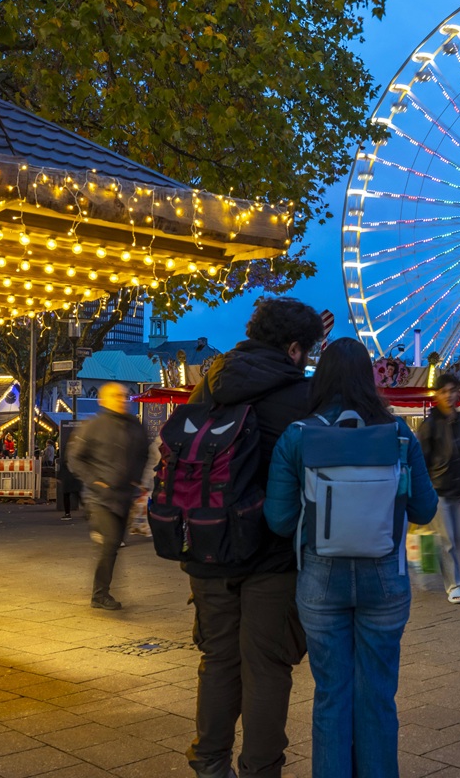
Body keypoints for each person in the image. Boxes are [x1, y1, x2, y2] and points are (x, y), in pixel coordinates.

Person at [264, 338, 438, 778]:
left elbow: (280, 520)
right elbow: (425, 509)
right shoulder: (400, 435)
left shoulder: (297, 436)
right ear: (370, 377)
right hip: (386, 577)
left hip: (320, 578)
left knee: (331, 695)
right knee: (377, 695)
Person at [184, 297, 325, 778]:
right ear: (294, 349)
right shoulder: (302, 397)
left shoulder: (208, 385)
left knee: (219, 659)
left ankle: (209, 763)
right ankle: (261, 769)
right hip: (272, 552)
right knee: (266, 666)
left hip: (207, 545)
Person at [66, 382, 148, 611]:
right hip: (99, 497)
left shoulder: (136, 426)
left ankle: (102, 589)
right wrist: (95, 481)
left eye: (123, 395)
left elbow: (143, 453)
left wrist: (136, 479)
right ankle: (100, 594)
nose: (121, 399)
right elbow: (75, 458)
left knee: (114, 545)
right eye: (115, 396)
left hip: (124, 497)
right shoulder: (93, 425)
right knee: (111, 541)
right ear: (103, 400)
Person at [417, 373, 460, 604]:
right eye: (444, 391)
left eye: (452, 390)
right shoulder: (430, 425)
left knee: (451, 539)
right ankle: (454, 586)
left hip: (455, 489)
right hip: (436, 488)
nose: (449, 395)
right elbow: (421, 459)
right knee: (447, 539)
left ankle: (422, 562)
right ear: (437, 395)